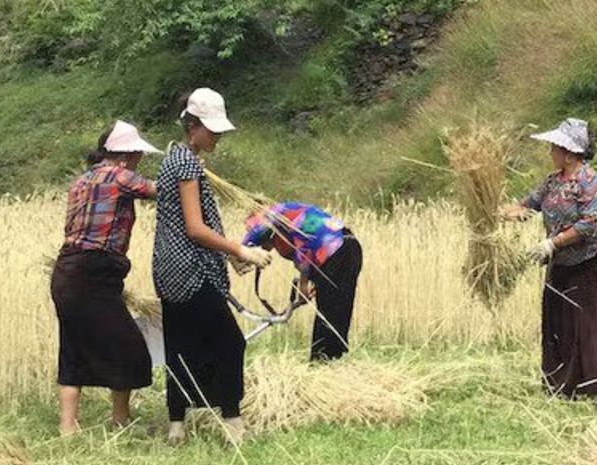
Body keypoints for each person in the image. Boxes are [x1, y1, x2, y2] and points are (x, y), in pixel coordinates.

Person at [151, 87, 273, 445]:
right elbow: (195, 227)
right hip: (191, 270)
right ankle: (233, 422)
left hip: (169, 267)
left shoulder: (174, 158)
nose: (217, 137)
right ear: (194, 126)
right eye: (212, 130)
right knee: (229, 343)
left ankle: (177, 425)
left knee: (181, 343)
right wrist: (240, 250)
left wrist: (228, 254)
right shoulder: (187, 164)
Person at [51, 121, 161, 436]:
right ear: (125, 155)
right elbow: (158, 190)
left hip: (66, 270)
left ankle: (68, 427)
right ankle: (120, 419)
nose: (139, 160)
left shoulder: (81, 180)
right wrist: (188, 173)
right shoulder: (119, 175)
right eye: (137, 154)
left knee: (72, 345)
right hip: (94, 273)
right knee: (128, 345)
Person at [501, 118, 597, 400]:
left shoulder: (591, 182)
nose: (550, 152)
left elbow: (588, 225)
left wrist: (553, 242)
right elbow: (528, 206)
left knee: (585, 323)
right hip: (558, 264)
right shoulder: (552, 182)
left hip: (585, 263)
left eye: (554, 147)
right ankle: (561, 386)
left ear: (570, 153)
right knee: (556, 322)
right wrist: (500, 212)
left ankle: (595, 387)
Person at [241, 201, 363, 361]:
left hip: (336, 250)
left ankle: (322, 360)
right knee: (338, 309)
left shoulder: (271, 215)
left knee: (329, 311)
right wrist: (315, 281)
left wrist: (303, 284)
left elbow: (303, 252)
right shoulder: (285, 215)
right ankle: (335, 358)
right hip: (347, 247)